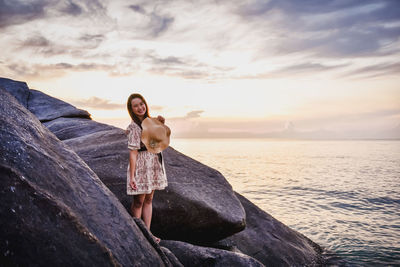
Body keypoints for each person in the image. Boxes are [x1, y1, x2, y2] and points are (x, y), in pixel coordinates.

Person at [125, 93, 168, 243]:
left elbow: (159, 142)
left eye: (141, 104)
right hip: (141, 164)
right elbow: (133, 153)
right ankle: (137, 234)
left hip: (154, 162)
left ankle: (148, 234)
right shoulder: (133, 127)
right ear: (131, 109)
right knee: (139, 201)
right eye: (135, 106)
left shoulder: (151, 122)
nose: (140, 107)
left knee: (149, 200)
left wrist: (161, 125)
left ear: (145, 104)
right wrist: (132, 176)